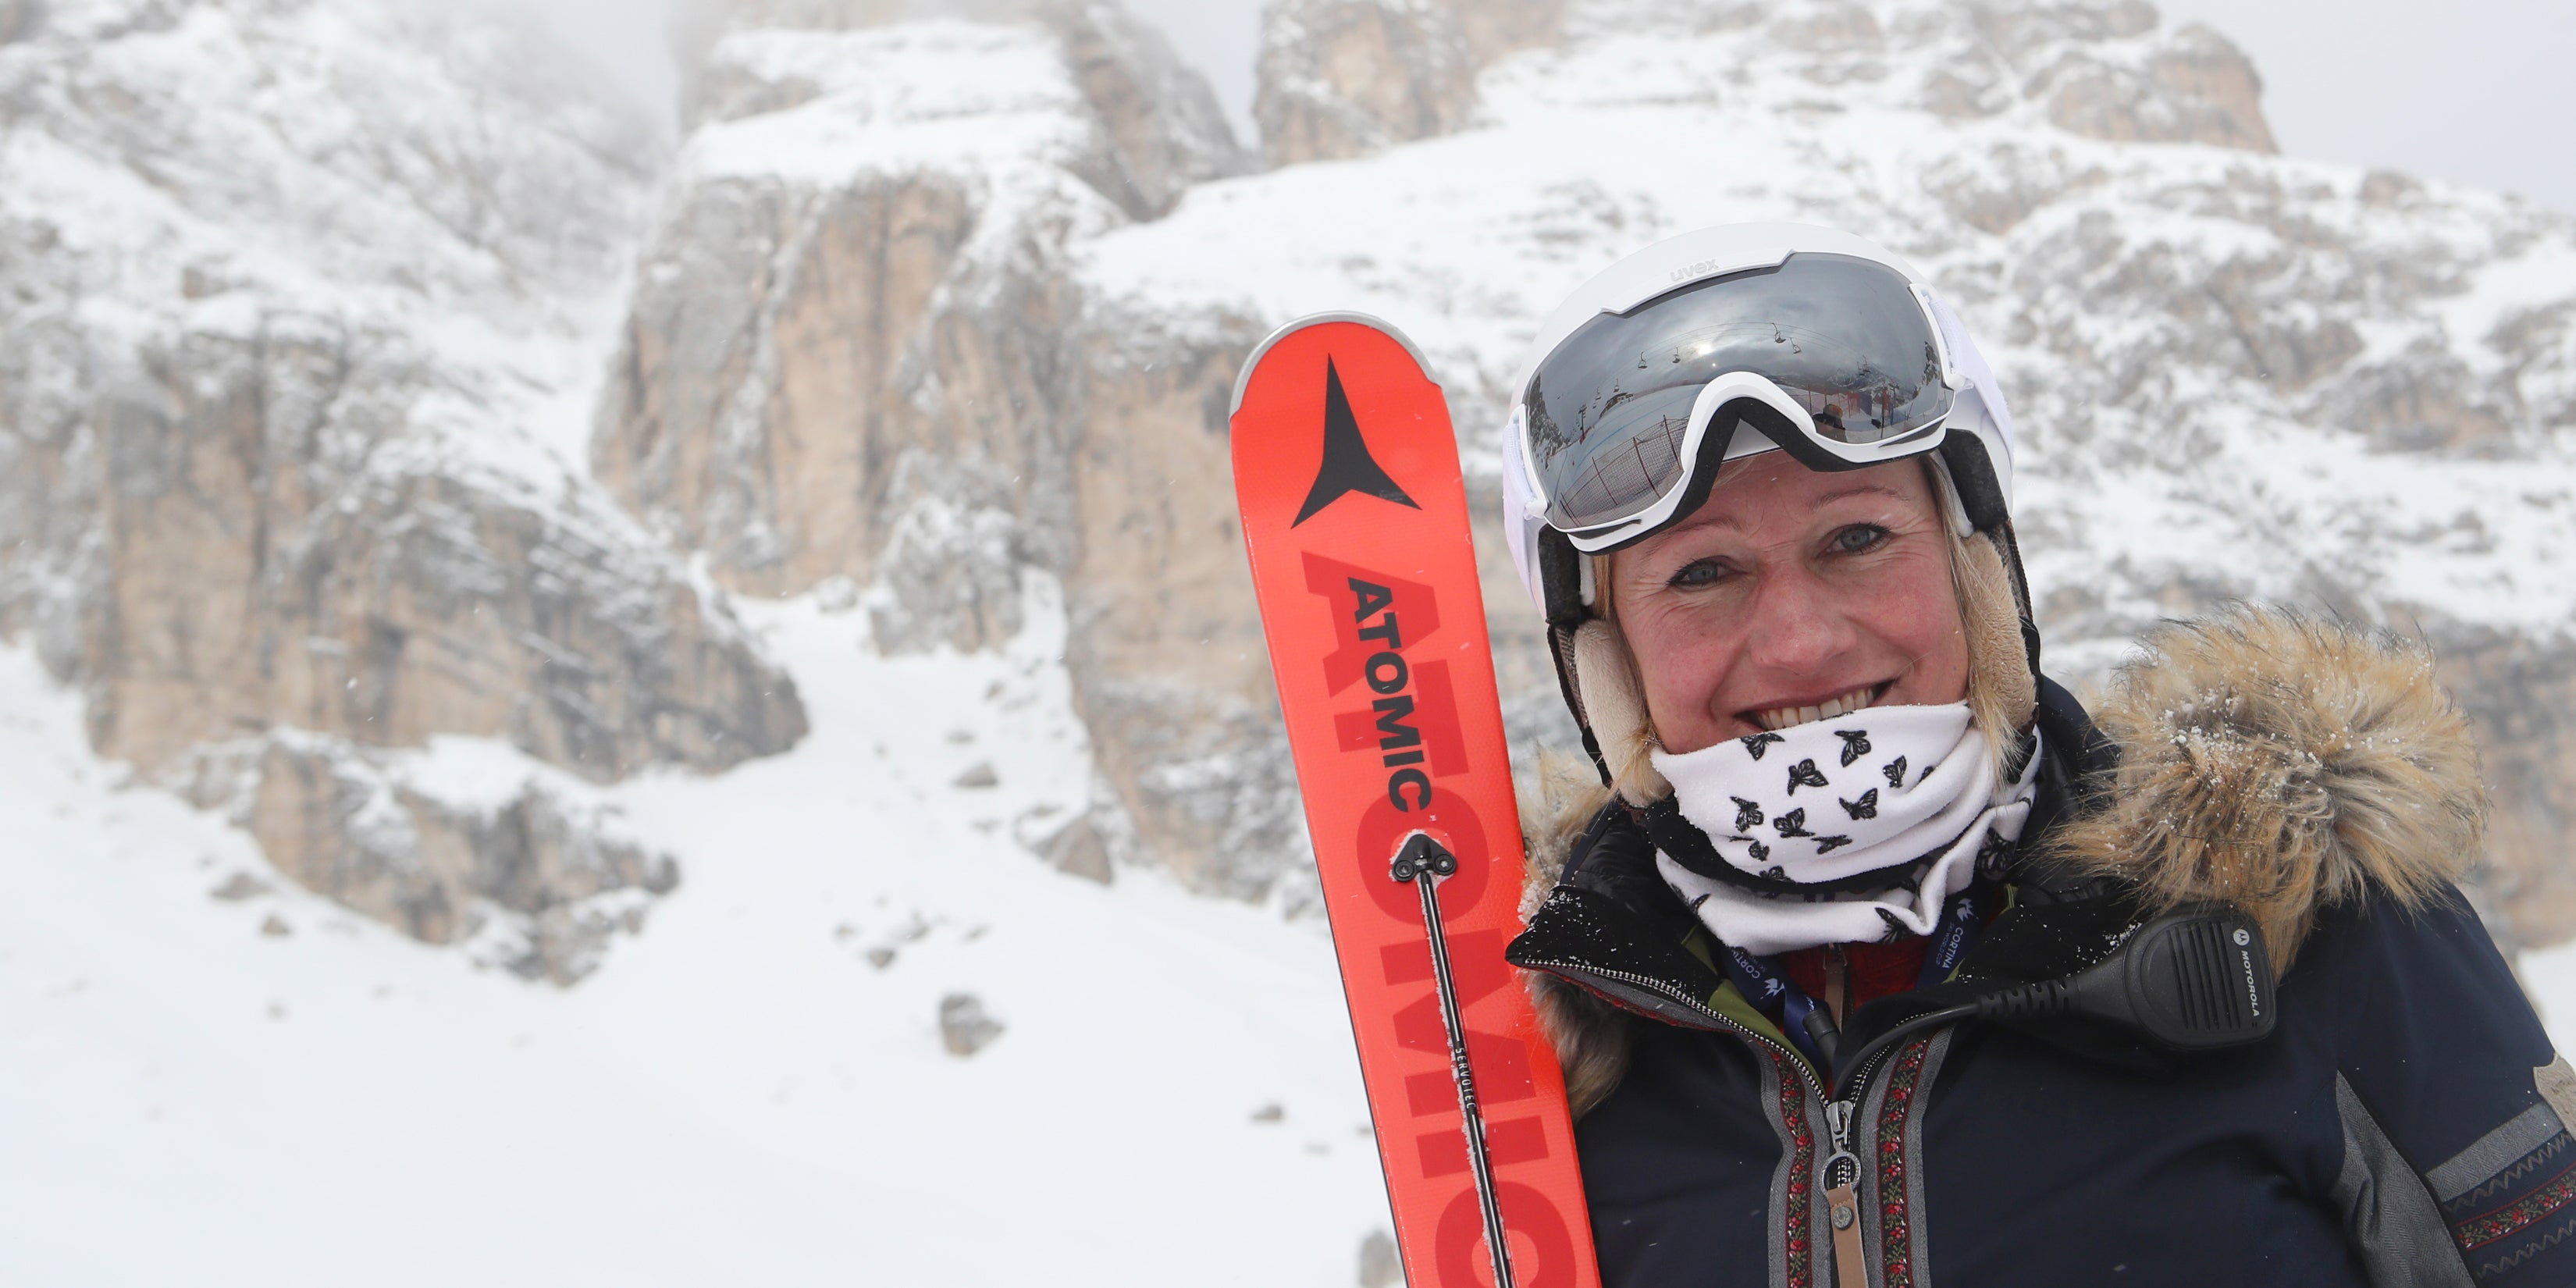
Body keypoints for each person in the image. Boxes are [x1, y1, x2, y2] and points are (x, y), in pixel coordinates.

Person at [1496, 222, 2576, 1287]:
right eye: (1701, 574)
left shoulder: (2302, 913)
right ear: (1610, 664)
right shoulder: (1541, 1046)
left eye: (1858, 539)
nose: (1801, 642)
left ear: (1978, 576)